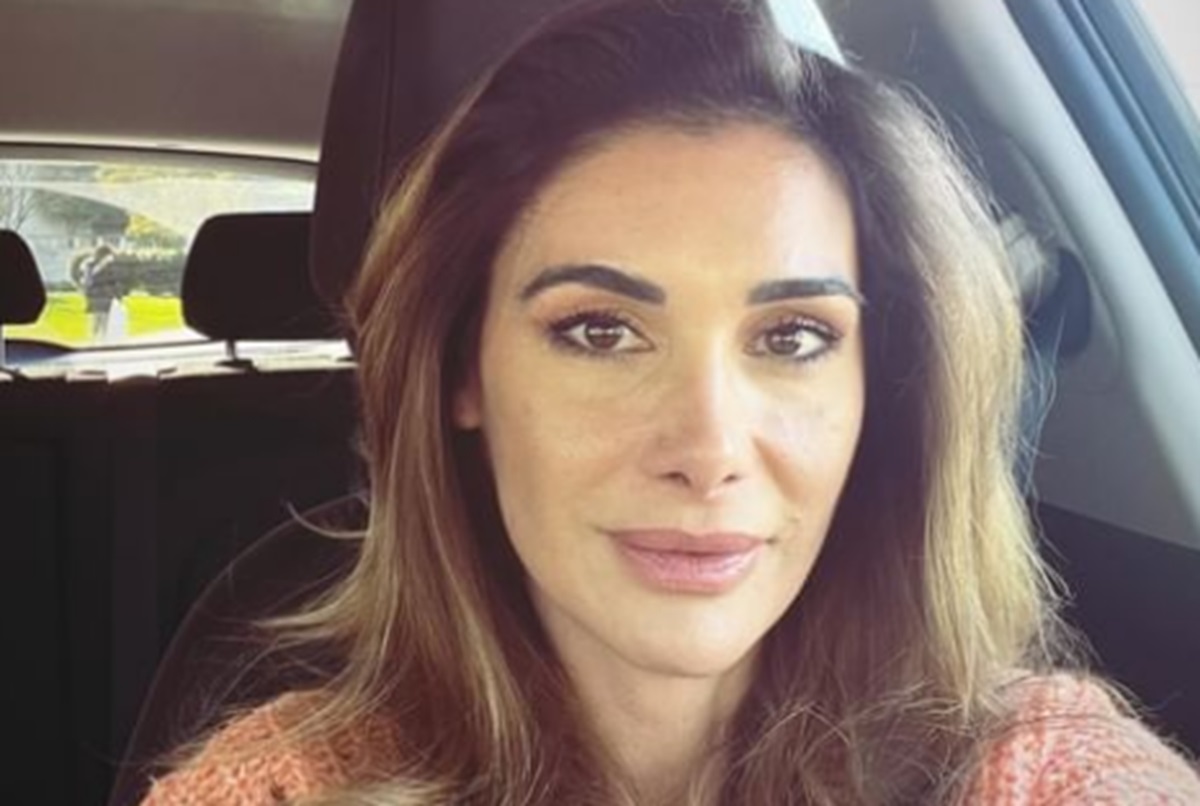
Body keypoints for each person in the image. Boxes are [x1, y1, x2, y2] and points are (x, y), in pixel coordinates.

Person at [141, 0, 1200, 803]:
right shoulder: (281, 787)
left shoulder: (1032, 768)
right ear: (463, 370)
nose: (709, 446)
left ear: (881, 386)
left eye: (793, 337)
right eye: (600, 331)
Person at [75, 243, 121, 339]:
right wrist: (101, 265)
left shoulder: (110, 266)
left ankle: (103, 340)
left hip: (106, 296)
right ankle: (94, 340)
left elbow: (113, 281)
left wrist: (117, 295)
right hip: (96, 295)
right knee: (96, 320)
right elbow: (89, 279)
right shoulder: (90, 265)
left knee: (105, 320)